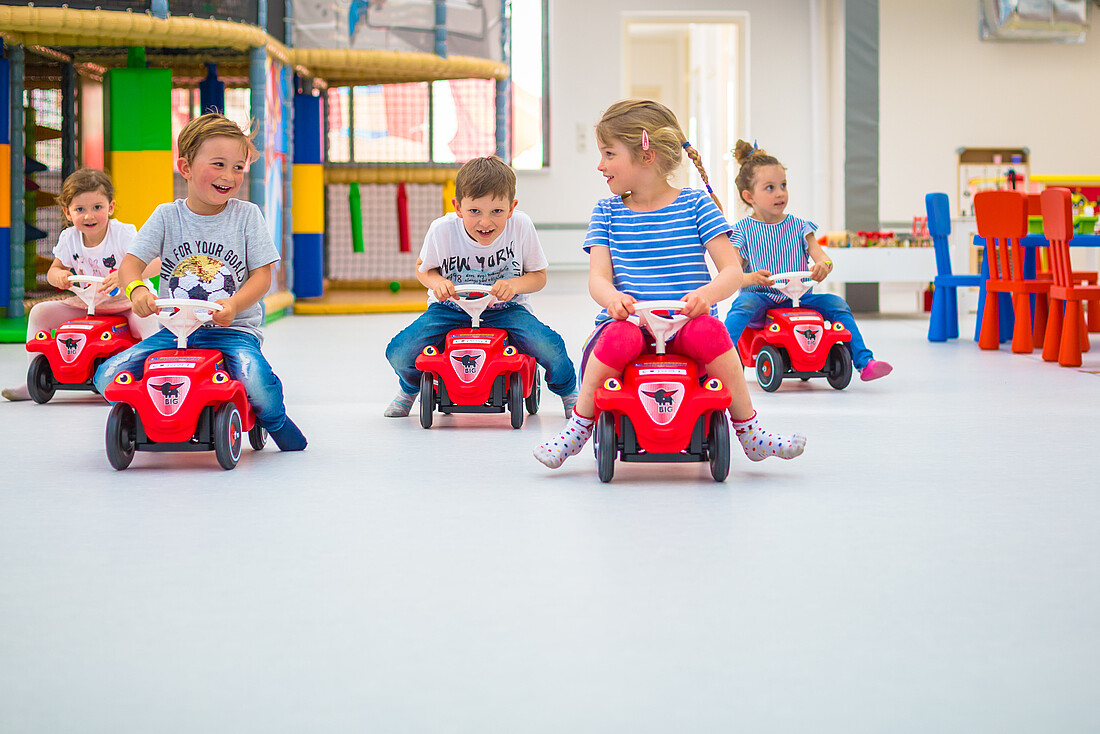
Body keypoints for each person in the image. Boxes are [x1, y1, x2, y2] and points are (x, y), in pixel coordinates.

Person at [533, 99, 806, 469]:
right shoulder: (606, 212)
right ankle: (580, 426)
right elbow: (598, 277)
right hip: (630, 322)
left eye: (609, 154)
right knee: (616, 337)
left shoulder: (696, 205)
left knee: (712, 331)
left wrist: (706, 295)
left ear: (647, 155)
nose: (601, 165)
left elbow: (730, 271)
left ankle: (749, 430)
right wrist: (612, 298)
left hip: (684, 323)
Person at [92, 113, 307, 451]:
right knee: (106, 376)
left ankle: (274, 420)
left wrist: (234, 304)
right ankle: (148, 413)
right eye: (219, 164)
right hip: (174, 331)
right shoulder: (166, 216)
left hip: (232, 330)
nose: (229, 176)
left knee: (256, 382)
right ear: (186, 167)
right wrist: (137, 290)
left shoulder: (247, 215)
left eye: (238, 167)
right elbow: (131, 264)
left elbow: (262, 277)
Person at [384, 155, 578, 418]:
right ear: (458, 207)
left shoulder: (520, 226)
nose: (485, 222)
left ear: (511, 208)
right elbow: (423, 268)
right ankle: (410, 388)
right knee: (400, 350)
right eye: (475, 211)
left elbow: (539, 276)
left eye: (497, 212)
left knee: (548, 345)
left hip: (506, 311)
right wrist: (438, 282)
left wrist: (514, 284)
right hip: (451, 310)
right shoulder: (442, 230)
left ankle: (569, 392)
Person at [723, 139, 892, 382]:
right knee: (742, 305)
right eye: (770, 188)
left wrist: (824, 266)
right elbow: (732, 273)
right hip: (762, 298)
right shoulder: (741, 231)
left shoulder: (800, 227)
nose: (780, 193)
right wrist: (751, 278)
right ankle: (722, 361)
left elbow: (823, 257)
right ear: (749, 196)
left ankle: (865, 362)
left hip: (800, 296)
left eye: (783, 185)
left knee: (836, 304)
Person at [2, 168, 160, 401]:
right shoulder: (69, 238)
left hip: (127, 301)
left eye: (97, 207)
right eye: (80, 210)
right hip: (89, 302)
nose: (89, 216)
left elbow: (155, 263)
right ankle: (32, 379)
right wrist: (58, 277)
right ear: (67, 212)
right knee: (40, 312)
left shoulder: (122, 233)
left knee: (149, 321)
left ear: (111, 207)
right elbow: (53, 271)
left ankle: (152, 379)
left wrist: (125, 274)